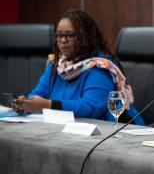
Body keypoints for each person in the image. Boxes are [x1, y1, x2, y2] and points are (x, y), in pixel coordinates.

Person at [11, 9, 145, 125]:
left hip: (110, 134)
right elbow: (40, 93)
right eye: (59, 35)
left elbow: (91, 107)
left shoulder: (99, 67)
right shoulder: (56, 65)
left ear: (85, 38)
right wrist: (25, 102)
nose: (63, 40)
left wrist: (47, 105)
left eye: (69, 35)